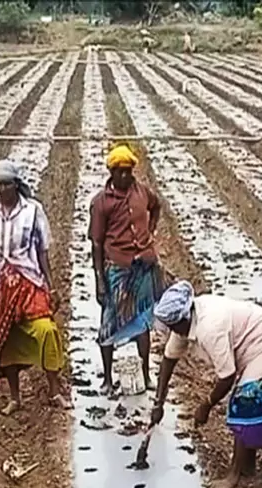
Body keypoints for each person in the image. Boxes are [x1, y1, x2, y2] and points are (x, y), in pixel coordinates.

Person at [150, 282, 262, 488]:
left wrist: (206, 405)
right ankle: (247, 469)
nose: (170, 332)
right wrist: (158, 404)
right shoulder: (184, 322)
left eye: (171, 327)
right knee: (244, 403)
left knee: (243, 403)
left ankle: (235, 476)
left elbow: (227, 376)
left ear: (181, 320)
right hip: (258, 341)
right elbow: (168, 361)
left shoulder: (209, 329)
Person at [0, 159, 68, 413]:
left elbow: (43, 252)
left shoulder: (32, 211)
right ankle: (15, 398)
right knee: (6, 340)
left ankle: (54, 390)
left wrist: (51, 287)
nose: (2, 189)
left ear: (16, 184)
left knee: (46, 330)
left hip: (28, 282)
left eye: (7, 184)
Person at [89, 142, 163, 397]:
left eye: (128, 171)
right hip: (117, 267)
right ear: (111, 172)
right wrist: (99, 280)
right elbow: (96, 243)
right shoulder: (101, 202)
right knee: (109, 322)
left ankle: (146, 374)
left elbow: (156, 206)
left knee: (142, 321)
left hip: (142, 266)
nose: (124, 175)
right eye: (119, 171)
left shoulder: (142, 192)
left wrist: (149, 232)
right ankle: (108, 379)